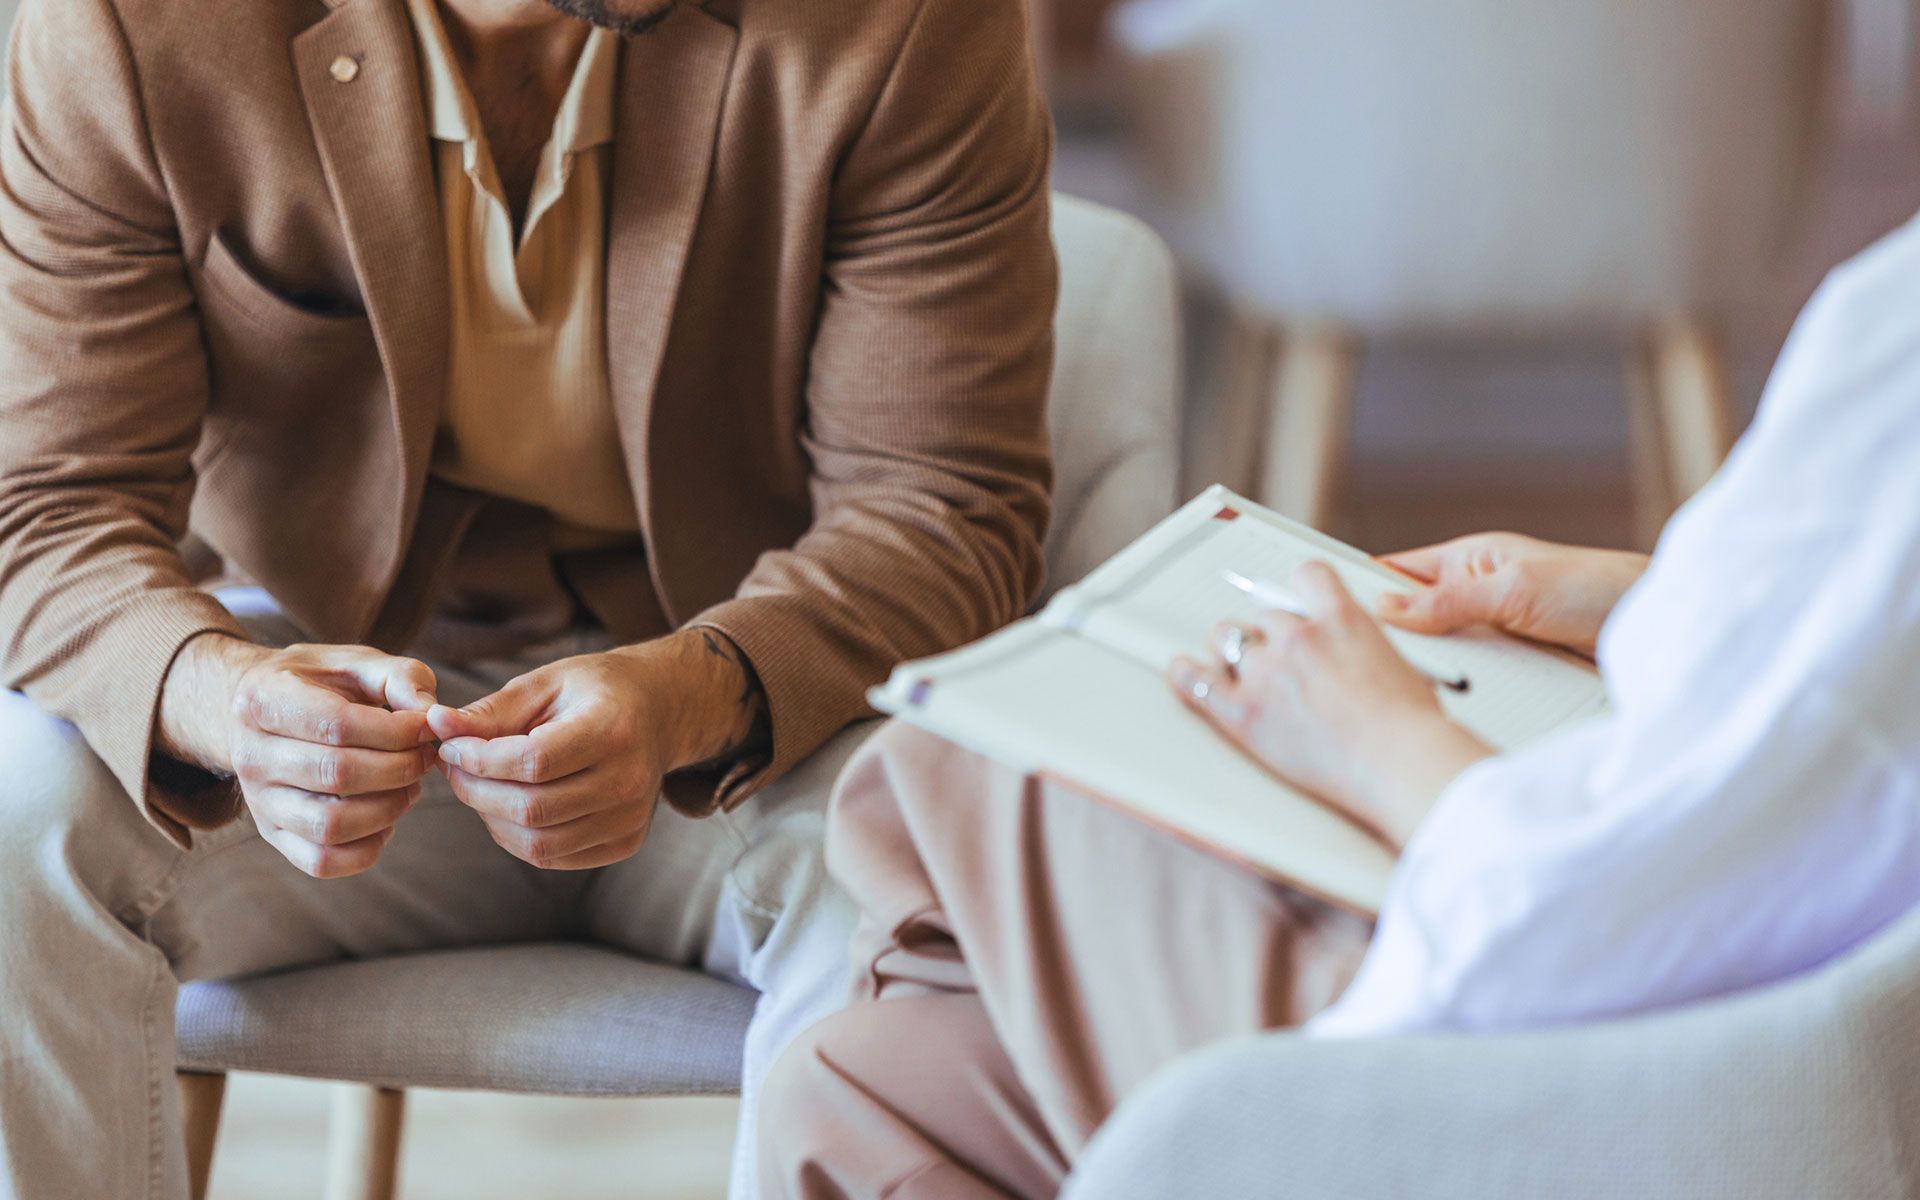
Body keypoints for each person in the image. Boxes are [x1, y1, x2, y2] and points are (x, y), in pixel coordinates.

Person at [0, 0, 1056, 1194]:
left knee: (926, 867)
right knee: (14, 818)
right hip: (324, 693)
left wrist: (687, 696)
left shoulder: (909, 23)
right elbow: (47, 508)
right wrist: (221, 697)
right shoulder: (129, 22)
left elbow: (945, 506)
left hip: (753, 702)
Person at [758, 208, 1920, 1199]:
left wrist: (1384, 740)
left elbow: (1575, 915)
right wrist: (1643, 601)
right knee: (851, 1087)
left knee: (968, 770)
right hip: (1774, 1042)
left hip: (1621, 1084)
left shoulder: (1895, 345)